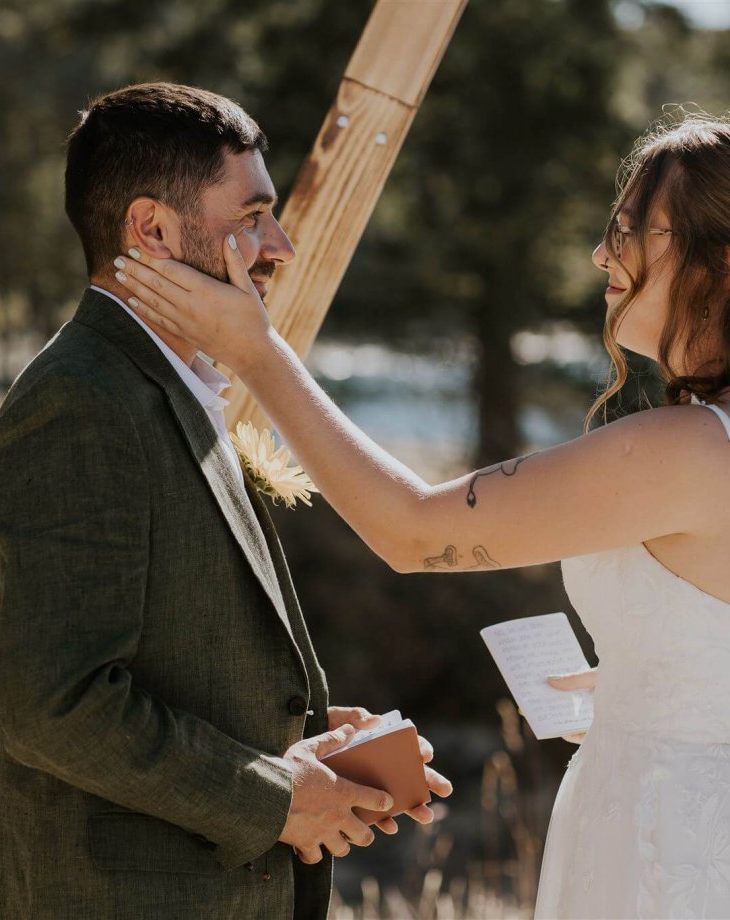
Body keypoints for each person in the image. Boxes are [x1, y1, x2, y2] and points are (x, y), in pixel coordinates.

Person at [115, 112, 730, 919]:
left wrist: (256, 352)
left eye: (629, 231)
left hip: (667, 842)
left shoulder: (683, 449)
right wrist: (666, 684)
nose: (599, 255)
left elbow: (413, 529)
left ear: (718, 261)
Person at [0, 82, 451, 920]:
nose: (280, 246)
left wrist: (301, 738)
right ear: (150, 229)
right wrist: (279, 795)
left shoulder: (165, 386)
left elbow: (165, 658)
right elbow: (57, 704)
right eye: (252, 216)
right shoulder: (80, 406)